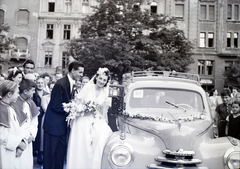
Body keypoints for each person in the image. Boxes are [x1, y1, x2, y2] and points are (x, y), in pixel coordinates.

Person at [67, 67, 112, 169]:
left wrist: (100, 118)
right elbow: (77, 102)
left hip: (95, 118)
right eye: (100, 78)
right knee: (83, 146)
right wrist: (83, 109)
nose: (101, 81)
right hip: (83, 118)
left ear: (106, 82)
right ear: (96, 77)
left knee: (104, 135)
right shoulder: (88, 88)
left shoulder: (105, 93)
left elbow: (102, 112)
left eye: (104, 80)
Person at [43, 61, 84, 169]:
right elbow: (55, 105)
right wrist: (73, 109)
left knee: (60, 156)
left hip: (61, 127)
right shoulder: (60, 84)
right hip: (53, 126)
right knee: (50, 157)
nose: (81, 75)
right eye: (80, 72)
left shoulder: (71, 83)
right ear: (72, 70)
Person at [11, 78, 39, 169]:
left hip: (28, 139)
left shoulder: (30, 102)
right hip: (18, 140)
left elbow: (34, 120)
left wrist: (32, 134)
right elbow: (14, 125)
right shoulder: (14, 103)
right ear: (25, 91)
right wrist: (19, 143)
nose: (34, 92)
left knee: (26, 163)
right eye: (33, 90)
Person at [0, 80, 27, 169]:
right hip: (4, 151)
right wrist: (19, 143)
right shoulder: (2, 110)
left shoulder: (10, 107)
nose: (19, 95)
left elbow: (18, 128)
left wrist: (21, 143)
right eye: (17, 93)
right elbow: (2, 136)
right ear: (9, 94)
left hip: (13, 148)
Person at [32, 76, 49, 165]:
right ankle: (35, 152)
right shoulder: (33, 93)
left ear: (44, 84)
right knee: (36, 135)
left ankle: (40, 154)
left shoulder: (47, 93)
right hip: (35, 117)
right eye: (38, 83)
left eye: (41, 83)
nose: (40, 84)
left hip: (43, 117)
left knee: (41, 137)